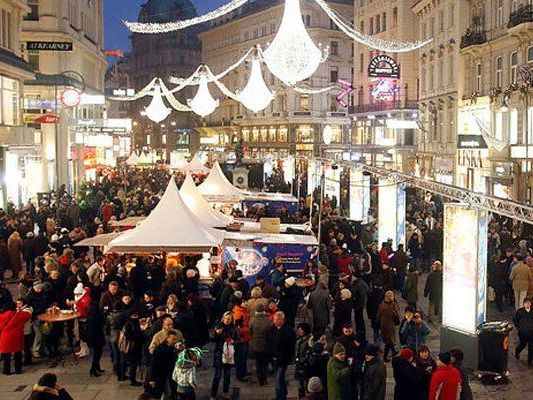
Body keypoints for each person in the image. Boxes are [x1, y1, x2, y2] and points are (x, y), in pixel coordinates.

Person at [267, 311, 296, 400]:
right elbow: (269, 342)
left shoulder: (288, 330)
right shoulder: (272, 329)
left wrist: (285, 356)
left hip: (283, 360)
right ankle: (283, 393)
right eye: (274, 319)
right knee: (279, 378)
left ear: (283, 320)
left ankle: (280, 397)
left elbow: (291, 346)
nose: (275, 321)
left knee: (279, 378)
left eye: (277, 320)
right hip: (274, 358)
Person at [210, 311, 239, 400]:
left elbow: (238, 340)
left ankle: (225, 393)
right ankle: (213, 395)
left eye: (229, 319)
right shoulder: (219, 327)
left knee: (227, 375)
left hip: (229, 355)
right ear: (223, 318)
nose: (227, 320)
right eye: (225, 318)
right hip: (219, 354)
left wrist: (233, 342)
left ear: (232, 320)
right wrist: (216, 333)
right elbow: (213, 339)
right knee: (217, 376)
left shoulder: (233, 329)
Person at [0, 300, 31, 375]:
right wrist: (20, 310)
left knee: (7, 355)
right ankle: (18, 370)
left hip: (6, 337)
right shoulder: (20, 315)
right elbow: (29, 315)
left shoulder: (2, 316)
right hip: (18, 336)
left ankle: (6, 371)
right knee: (18, 353)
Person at [148, 329, 180, 400]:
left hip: (168, 374)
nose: (175, 341)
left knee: (168, 392)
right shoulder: (160, 349)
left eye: (175, 339)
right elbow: (153, 364)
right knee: (166, 392)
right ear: (167, 338)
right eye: (173, 339)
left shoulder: (171, 347)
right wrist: (152, 378)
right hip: (161, 375)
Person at [249, 303, 273, 386]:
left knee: (258, 362)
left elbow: (250, 330)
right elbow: (271, 332)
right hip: (265, 344)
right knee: (265, 363)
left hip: (256, 344)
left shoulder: (252, 320)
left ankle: (260, 380)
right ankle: (264, 378)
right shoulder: (268, 320)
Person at [376, 290, 400, 362]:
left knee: (388, 340)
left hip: (383, 325)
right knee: (389, 341)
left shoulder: (382, 304)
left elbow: (378, 315)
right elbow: (398, 314)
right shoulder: (392, 305)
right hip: (390, 325)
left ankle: (393, 352)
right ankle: (385, 357)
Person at [86, 301, 105, 377]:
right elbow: (102, 322)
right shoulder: (97, 316)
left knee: (96, 353)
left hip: (92, 337)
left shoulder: (90, 316)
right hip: (97, 337)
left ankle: (97, 367)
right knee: (98, 353)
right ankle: (93, 369)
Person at [294, 322, 313, 398]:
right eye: (298, 330)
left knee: (306, 382)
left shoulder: (309, 340)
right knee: (300, 383)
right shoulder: (299, 339)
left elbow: (308, 352)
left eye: (301, 330)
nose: (299, 331)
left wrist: (302, 360)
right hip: (299, 364)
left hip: (305, 364)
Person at [513, 297, 533, 365]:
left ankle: (530, 361)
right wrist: (519, 327)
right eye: (526, 303)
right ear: (523, 304)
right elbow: (515, 320)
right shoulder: (519, 312)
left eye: (528, 303)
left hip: (531, 332)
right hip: (523, 332)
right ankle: (517, 351)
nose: (527, 304)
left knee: (531, 346)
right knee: (523, 344)